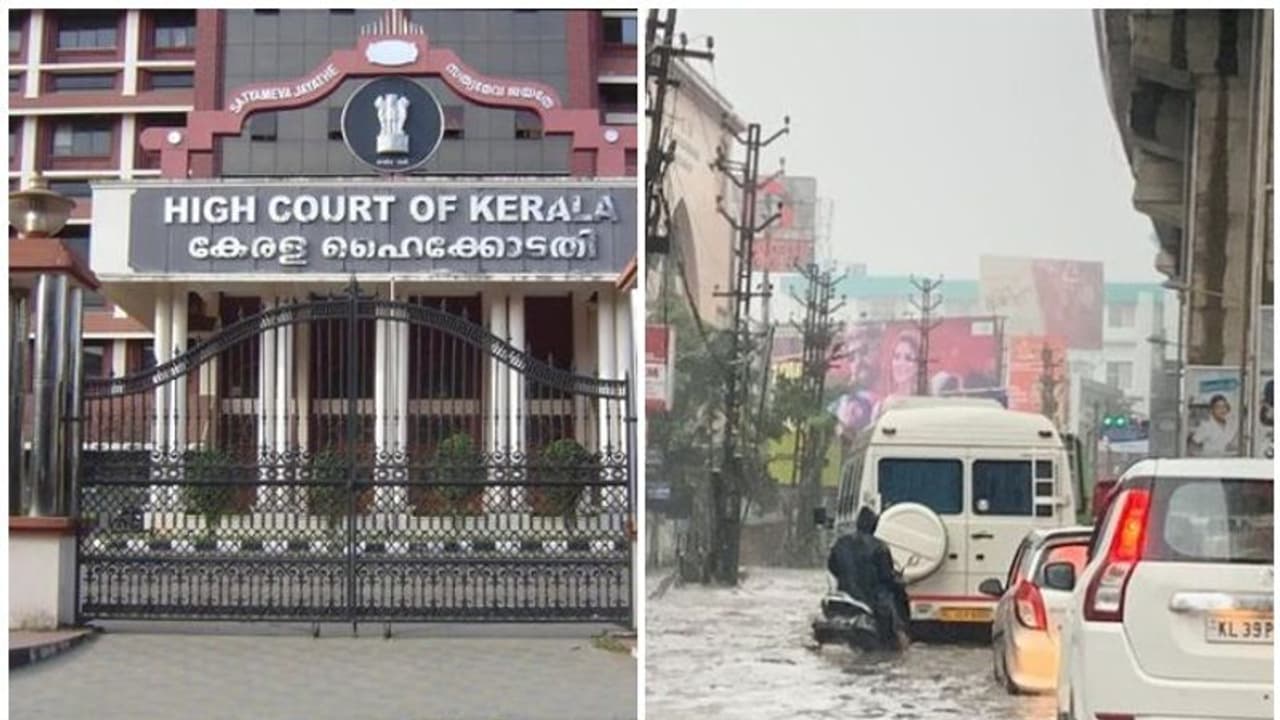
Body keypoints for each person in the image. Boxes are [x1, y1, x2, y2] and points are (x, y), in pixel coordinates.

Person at [826, 506, 909, 649]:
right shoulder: (880, 547)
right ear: (874, 526)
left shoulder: (840, 543)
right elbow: (886, 577)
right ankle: (896, 642)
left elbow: (832, 567)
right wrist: (899, 583)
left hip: (845, 596)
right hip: (872, 601)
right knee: (893, 626)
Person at [829, 323, 884, 441]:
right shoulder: (841, 401)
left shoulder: (894, 393)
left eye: (864, 352)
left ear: (879, 348)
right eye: (852, 358)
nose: (858, 362)